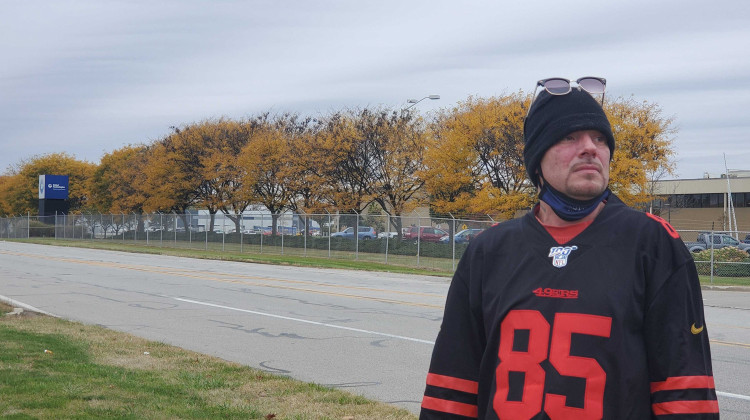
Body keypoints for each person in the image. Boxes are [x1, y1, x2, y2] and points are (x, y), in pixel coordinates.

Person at [420, 78, 718, 419]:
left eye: (600, 139)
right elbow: (453, 388)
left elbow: (684, 392)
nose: (590, 148)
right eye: (569, 137)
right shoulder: (489, 250)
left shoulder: (653, 243)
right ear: (537, 159)